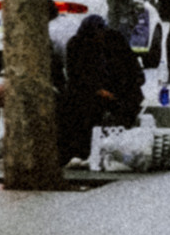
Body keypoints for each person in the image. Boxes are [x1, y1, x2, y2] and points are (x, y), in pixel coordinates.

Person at [59, 14, 144, 164]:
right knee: (77, 106)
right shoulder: (77, 45)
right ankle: (78, 151)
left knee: (124, 107)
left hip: (120, 89)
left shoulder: (114, 40)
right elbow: (76, 77)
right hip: (90, 92)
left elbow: (133, 70)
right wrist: (97, 90)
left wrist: (119, 90)